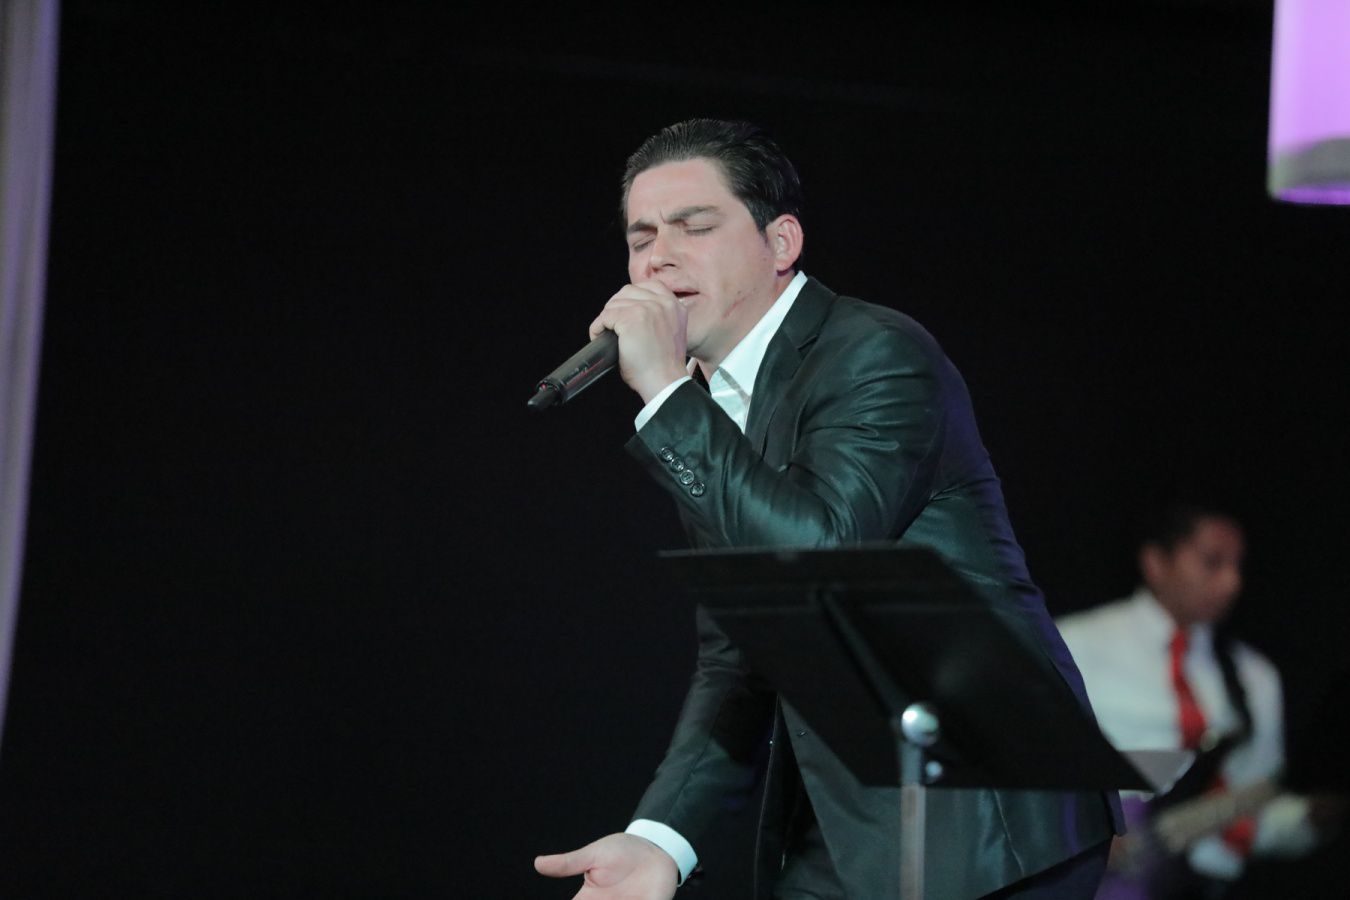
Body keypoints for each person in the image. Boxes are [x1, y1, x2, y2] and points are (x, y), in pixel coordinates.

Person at [534, 118, 1122, 899]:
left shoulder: (875, 352)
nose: (658, 258)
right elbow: (741, 654)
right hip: (855, 823)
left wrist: (667, 395)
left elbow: (817, 554)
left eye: (694, 227)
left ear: (781, 243)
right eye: (641, 238)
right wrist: (660, 842)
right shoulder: (711, 406)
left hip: (986, 818)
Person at [1055, 505, 1324, 900]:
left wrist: (1316, 817)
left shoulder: (1255, 678)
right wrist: (1075, 835)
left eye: (1238, 565)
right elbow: (1018, 771)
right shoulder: (1072, 645)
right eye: (1212, 562)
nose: (1232, 582)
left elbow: (1260, 810)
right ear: (1155, 562)